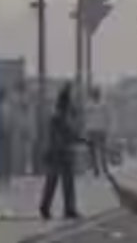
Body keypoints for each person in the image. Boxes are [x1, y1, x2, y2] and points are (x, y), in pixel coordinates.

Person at [38, 85, 82, 221]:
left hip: (62, 151)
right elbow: (61, 135)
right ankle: (47, 207)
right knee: (54, 181)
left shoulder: (62, 115)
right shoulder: (58, 116)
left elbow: (71, 133)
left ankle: (68, 208)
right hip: (58, 152)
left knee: (64, 181)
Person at [83, 85, 112, 175]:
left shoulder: (91, 105)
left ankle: (102, 168)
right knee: (96, 151)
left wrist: (107, 127)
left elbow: (108, 117)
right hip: (95, 130)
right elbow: (86, 118)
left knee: (99, 150)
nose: (96, 95)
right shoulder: (91, 105)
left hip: (97, 130)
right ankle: (99, 168)